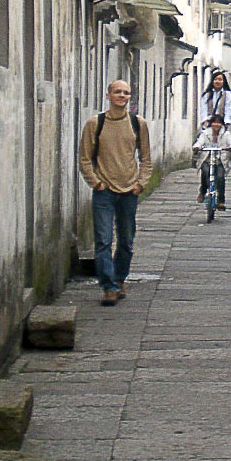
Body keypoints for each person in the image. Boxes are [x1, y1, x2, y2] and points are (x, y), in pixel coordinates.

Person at [78, 80, 152, 306]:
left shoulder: (138, 124)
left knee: (126, 240)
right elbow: (85, 158)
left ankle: (119, 279)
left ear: (130, 97)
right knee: (103, 240)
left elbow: (146, 159)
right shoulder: (96, 123)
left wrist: (141, 183)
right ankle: (108, 286)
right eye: (118, 92)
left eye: (126, 93)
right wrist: (96, 183)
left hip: (130, 191)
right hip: (105, 192)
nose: (122, 96)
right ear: (108, 95)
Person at [192, 113, 231, 210]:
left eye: (219, 123)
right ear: (211, 124)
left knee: (220, 177)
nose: (216, 125)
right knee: (205, 172)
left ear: (222, 124)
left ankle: (221, 201)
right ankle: (203, 192)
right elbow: (199, 142)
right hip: (207, 159)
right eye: (214, 123)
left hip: (220, 161)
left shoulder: (226, 134)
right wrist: (197, 147)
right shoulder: (205, 133)